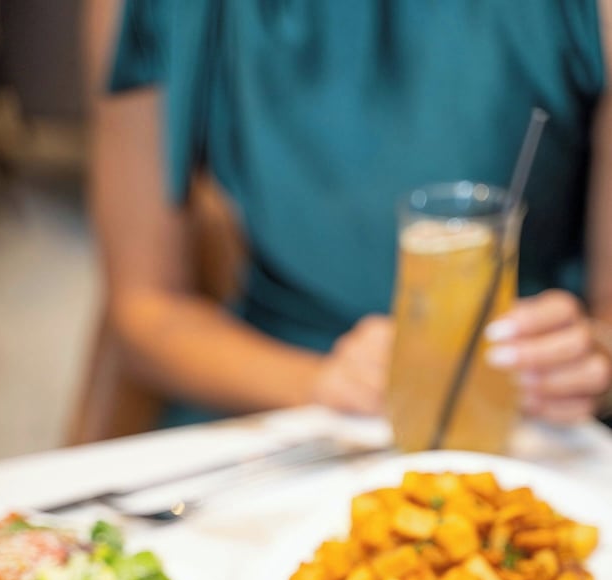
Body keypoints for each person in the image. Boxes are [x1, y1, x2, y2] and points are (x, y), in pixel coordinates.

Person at [80, 0, 612, 436]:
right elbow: (146, 307)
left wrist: (590, 355)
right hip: (269, 398)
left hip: (519, 414)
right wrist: (318, 381)